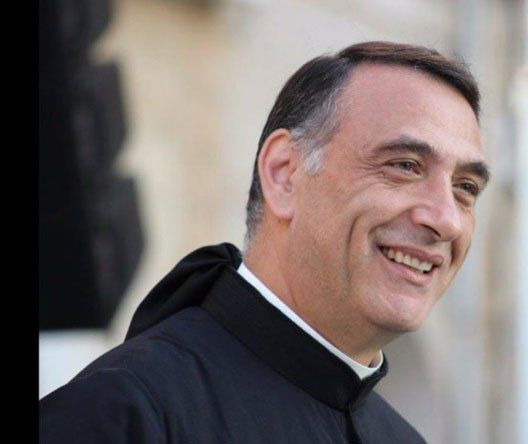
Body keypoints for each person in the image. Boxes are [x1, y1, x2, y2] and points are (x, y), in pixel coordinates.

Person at [40, 41, 489, 443]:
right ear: (284, 174)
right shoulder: (122, 413)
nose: (445, 219)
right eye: (405, 166)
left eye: (465, 188)